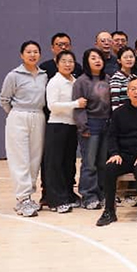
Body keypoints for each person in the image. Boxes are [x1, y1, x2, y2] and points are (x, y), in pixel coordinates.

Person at [96, 77, 137, 226]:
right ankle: (109, 211)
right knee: (109, 168)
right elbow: (112, 136)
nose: (136, 92)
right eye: (133, 89)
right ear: (127, 92)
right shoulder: (119, 112)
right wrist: (114, 153)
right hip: (123, 155)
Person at [0, 40, 48, 217]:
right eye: (28, 52)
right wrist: (16, 114)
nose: (32, 55)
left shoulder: (43, 75)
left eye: (35, 52)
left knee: (35, 158)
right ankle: (22, 198)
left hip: (38, 116)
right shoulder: (13, 75)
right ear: (22, 55)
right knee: (20, 157)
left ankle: (28, 196)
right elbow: (4, 99)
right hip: (19, 116)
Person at [44, 50, 86, 213]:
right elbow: (52, 106)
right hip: (57, 125)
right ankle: (55, 200)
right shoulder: (55, 82)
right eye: (64, 61)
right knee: (55, 164)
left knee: (68, 163)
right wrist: (75, 104)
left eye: (71, 61)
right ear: (57, 63)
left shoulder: (74, 81)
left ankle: (68, 194)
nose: (68, 64)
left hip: (71, 125)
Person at [73, 48, 112, 210]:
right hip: (91, 124)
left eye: (100, 58)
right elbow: (78, 107)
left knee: (103, 162)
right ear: (86, 61)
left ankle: (101, 193)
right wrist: (83, 125)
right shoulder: (81, 81)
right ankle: (88, 195)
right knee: (90, 163)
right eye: (93, 58)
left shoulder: (107, 79)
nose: (97, 61)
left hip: (106, 124)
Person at [109, 46, 136, 110]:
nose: (129, 59)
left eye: (131, 57)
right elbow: (115, 101)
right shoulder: (116, 78)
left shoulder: (135, 77)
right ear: (119, 60)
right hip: (122, 112)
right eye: (125, 57)